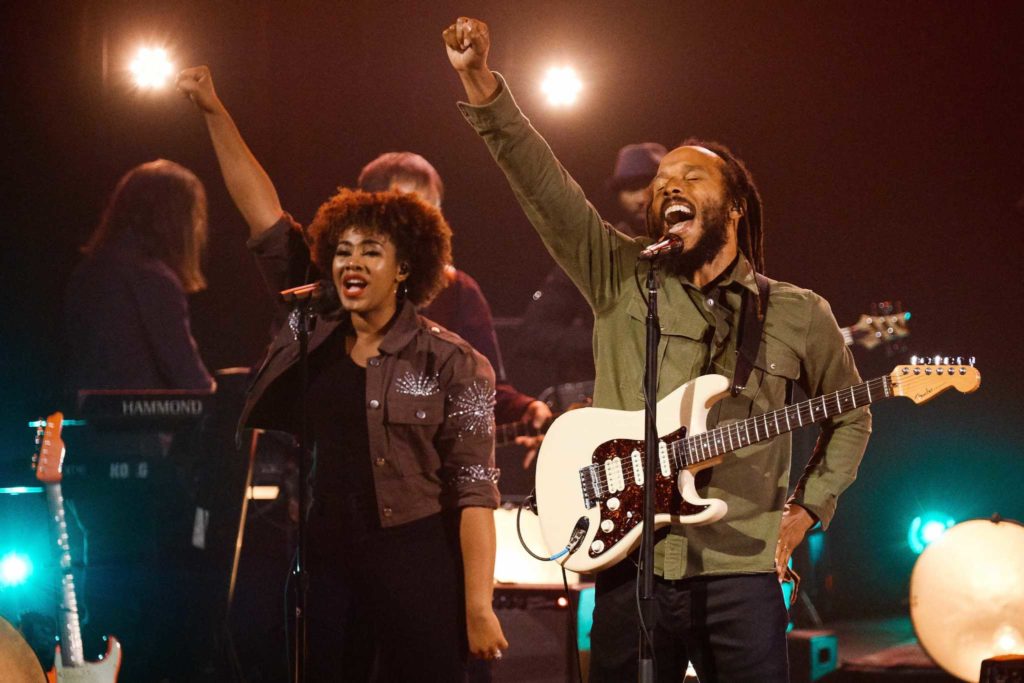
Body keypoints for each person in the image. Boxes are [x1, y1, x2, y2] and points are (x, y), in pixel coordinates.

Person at [443, 17, 872, 682]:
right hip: (629, 567)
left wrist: (806, 509)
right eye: (663, 180)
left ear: (734, 207)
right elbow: (546, 191)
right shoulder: (621, 278)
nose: (670, 185)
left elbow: (850, 415)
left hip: (740, 572)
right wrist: (483, 85)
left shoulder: (795, 311)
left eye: (693, 177)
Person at [175, 66, 550, 449]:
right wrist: (214, 112)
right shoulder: (329, 289)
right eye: (405, 212)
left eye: (429, 213)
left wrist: (526, 409)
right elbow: (264, 217)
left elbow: (482, 392)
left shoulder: (456, 294)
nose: (418, 227)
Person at [508, 143, 666, 407]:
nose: (641, 197)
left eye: (649, 184)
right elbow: (533, 333)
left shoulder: (693, 249)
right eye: (630, 188)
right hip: (614, 402)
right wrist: (612, 340)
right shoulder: (599, 252)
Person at [65, 159, 214, 393]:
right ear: (174, 217)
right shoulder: (153, 277)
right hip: (142, 427)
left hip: (91, 421)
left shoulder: (88, 270)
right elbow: (187, 375)